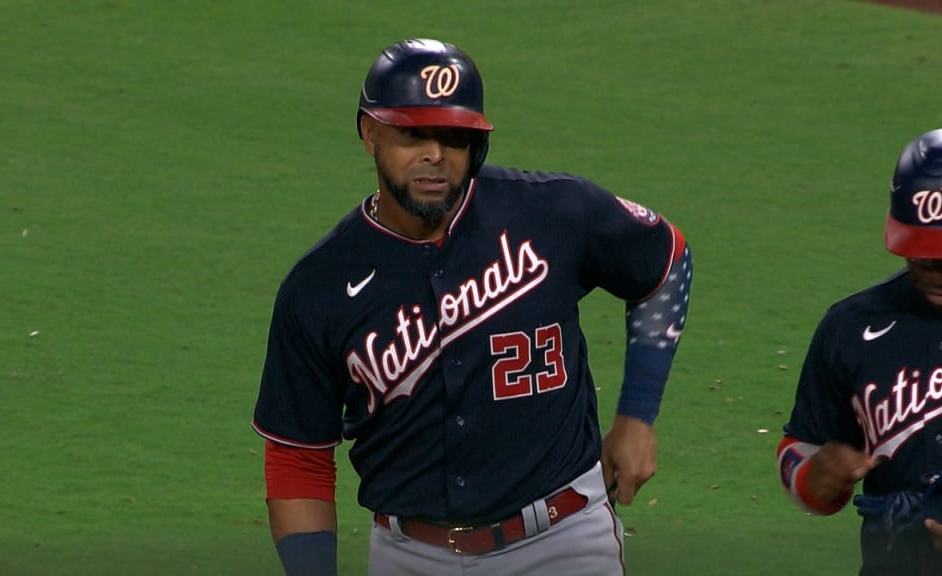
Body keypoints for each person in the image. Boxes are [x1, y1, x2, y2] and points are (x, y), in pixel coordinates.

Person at [251, 38, 693, 576]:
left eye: (454, 137)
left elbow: (666, 260)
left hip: (564, 541)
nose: (435, 153)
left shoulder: (552, 214)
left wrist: (637, 418)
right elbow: (299, 458)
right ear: (370, 133)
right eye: (413, 134)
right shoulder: (319, 287)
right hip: (410, 556)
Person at [777, 127, 942, 575]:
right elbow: (798, 447)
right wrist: (813, 478)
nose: (939, 274)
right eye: (922, 256)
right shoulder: (852, 326)